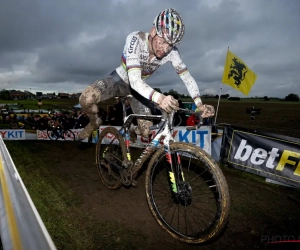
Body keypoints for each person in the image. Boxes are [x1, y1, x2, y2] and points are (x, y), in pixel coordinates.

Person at [78, 8, 215, 140]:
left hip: (138, 90)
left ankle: (132, 129)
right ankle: (94, 121)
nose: (165, 49)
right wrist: (160, 99)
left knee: (146, 132)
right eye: (162, 41)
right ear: (153, 31)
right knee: (86, 99)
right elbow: (134, 80)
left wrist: (199, 104)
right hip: (120, 80)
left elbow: (187, 78)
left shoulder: (172, 53)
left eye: (170, 44)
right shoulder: (136, 39)